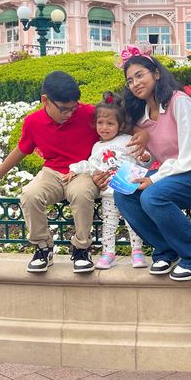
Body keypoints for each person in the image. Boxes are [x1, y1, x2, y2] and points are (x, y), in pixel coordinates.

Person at [113, 47, 191, 281]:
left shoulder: (179, 101)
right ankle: (166, 251)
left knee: (152, 196)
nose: (135, 83)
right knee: (123, 193)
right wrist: (144, 160)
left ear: (156, 74)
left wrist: (153, 179)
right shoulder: (142, 115)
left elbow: (190, 155)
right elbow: (158, 156)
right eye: (130, 80)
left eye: (140, 75)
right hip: (175, 175)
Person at [0, 71, 100, 273]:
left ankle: (82, 248)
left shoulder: (89, 113)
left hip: (83, 170)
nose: (69, 114)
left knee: (81, 194)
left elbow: (120, 125)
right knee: (30, 195)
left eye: (73, 108)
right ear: (45, 100)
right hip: (52, 172)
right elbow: (20, 151)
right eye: (64, 109)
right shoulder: (33, 122)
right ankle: (43, 247)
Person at [65, 91, 149, 270]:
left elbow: (142, 160)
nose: (104, 127)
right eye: (100, 123)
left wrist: (145, 157)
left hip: (128, 191)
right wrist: (74, 169)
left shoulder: (127, 140)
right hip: (109, 194)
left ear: (121, 125)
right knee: (109, 225)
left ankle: (137, 252)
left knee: (132, 222)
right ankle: (108, 254)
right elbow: (91, 165)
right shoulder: (97, 147)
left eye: (110, 123)